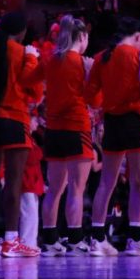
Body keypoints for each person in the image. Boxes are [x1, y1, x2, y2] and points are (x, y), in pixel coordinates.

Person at [0, 12, 44, 257]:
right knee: (13, 184)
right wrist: (33, 60)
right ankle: (11, 240)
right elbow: (34, 90)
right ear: (22, 31)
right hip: (15, 121)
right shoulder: (23, 53)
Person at [85, 16, 140, 255]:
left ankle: (97, 238)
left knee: (106, 182)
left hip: (112, 122)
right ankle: (136, 239)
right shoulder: (139, 57)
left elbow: (92, 98)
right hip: (136, 121)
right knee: (138, 182)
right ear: (138, 36)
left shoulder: (101, 57)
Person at [40, 16, 97, 255]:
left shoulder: (51, 61)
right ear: (81, 37)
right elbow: (94, 98)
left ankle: (50, 240)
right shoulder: (82, 64)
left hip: (53, 130)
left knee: (54, 189)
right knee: (76, 188)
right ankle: (75, 239)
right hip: (76, 127)